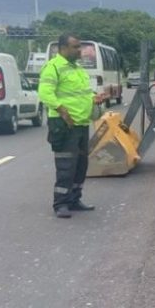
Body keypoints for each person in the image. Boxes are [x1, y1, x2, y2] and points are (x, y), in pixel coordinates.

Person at [38, 33, 104, 218]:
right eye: (75, 47)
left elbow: (84, 93)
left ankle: (74, 199)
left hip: (81, 123)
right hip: (64, 124)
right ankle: (61, 203)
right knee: (66, 165)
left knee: (81, 165)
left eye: (79, 46)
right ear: (63, 48)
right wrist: (62, 110)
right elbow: (45, 93)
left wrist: (95, 98)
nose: (79, 50)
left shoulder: (78, 69)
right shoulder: (53, 67)